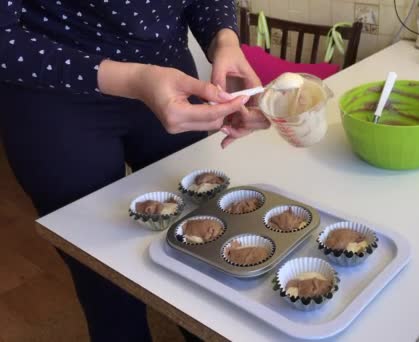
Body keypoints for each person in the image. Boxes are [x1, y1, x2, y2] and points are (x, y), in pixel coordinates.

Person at [0, 1, 269, 341]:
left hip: (172, 75)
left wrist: (224, 41)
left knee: (200, 252)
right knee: (105, 284)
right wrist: (134, 78)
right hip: (53, 93)